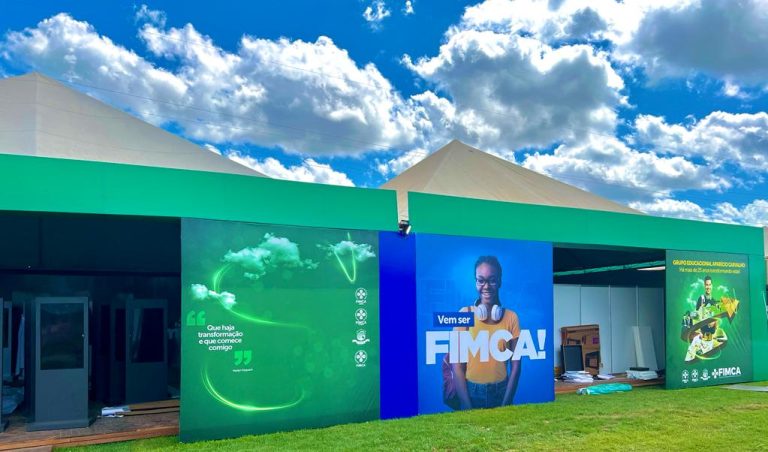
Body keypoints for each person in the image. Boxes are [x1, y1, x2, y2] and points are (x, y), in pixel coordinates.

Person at [452, 256, 521, 409]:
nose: (486, 286)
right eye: (481, 280)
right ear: (475, 282)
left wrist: (506, 403)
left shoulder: (511, 317)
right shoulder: (464, 314)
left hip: (501, 391)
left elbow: (516, 366)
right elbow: (456, 366)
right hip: (471, 392)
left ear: (500, 281)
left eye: (492, 280)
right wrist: (467, 406)